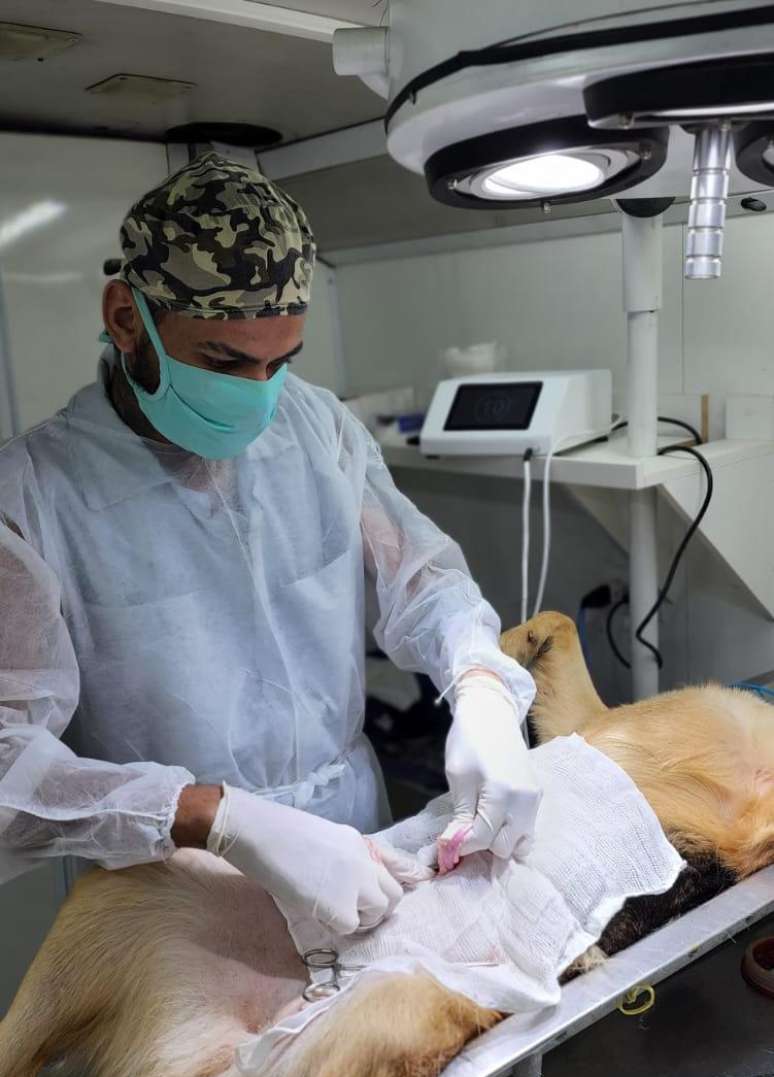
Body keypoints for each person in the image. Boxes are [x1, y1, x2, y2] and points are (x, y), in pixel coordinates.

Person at [0, 152, 540, 936]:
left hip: (354, 836)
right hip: (170, 886)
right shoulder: (31, 498)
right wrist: (220, 818)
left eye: (279, 362)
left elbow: (423, 581)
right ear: (126, 318)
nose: (255, 396)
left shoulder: (317, 427)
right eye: (222, 361)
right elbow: (7, 764)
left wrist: (482, 688)